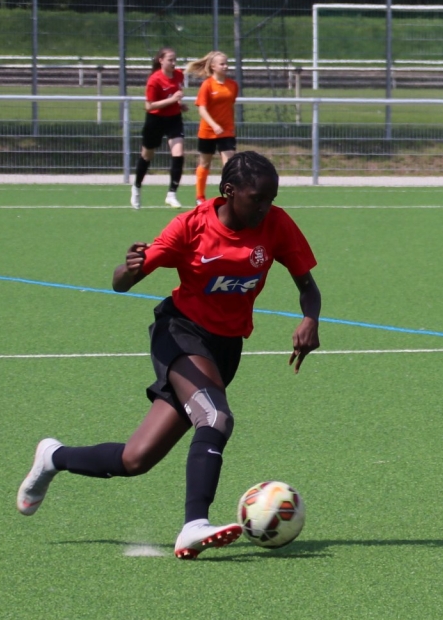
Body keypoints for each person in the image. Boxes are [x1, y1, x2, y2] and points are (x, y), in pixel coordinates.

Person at [16, 150, 321, 559]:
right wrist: (130, 267)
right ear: (228, 191)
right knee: (215, 418)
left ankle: (53, 457)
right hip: (179, 334)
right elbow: (121, 282)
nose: (265, 208)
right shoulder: (191, 227)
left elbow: (308, 286)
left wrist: (310, 319)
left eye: (271, 200)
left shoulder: (276, 224)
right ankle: (194, 525)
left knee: (135, 459)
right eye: (257, 199)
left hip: (224, 350)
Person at [133, 47, 186, 209]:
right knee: (147, 156)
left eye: (175, 59)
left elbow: (175, 94)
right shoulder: (154, 80)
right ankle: (136, 187)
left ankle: (172, 194)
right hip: (155, 120)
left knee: (178, 153)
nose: (173, 63)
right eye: (170, 60)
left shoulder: (179, 75)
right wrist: (172, 100)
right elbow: (149, 106)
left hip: (174, 119)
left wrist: (179, 104)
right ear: (161, 60)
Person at [193, 51, 240, 203]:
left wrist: (225, 125)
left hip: (226, 131)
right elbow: (202, 109)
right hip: (208, 131)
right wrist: (214, 125)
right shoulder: (207, 85)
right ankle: (200, 197)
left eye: (226, 63)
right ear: (213, 66)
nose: (225, 66)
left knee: (229, 164)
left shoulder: (232, 85)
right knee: (205, 163)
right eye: (222, 64)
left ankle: (230, 196)